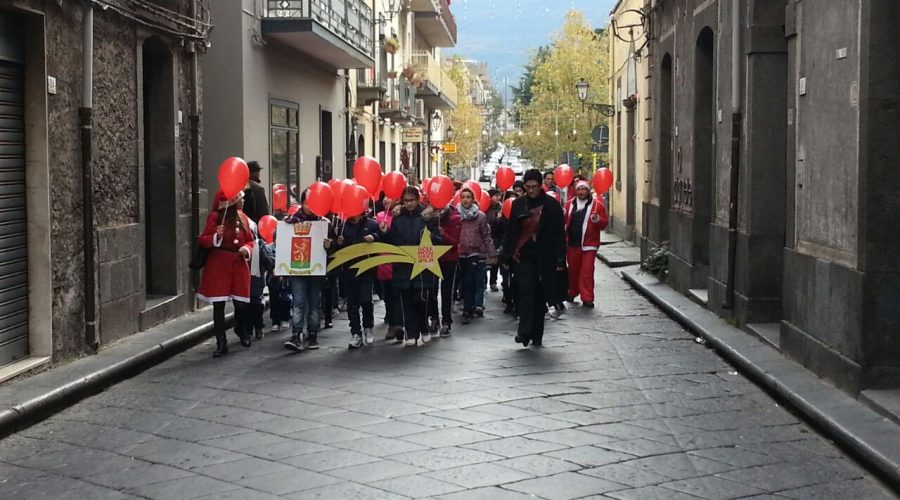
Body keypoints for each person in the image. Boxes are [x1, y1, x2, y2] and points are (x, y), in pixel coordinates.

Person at [501, 169, 568, 348]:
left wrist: (561, 259)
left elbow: (559, 234)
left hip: (545, 256)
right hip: (524, 256)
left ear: (541, 186)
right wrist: (506, 256)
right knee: (525, 292)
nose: (531, 190)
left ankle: (537, 334)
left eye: (535, 187)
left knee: (540, 296)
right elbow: (511, 232)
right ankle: (523, 332)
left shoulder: (551, 206)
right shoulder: (518, 205)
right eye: (528, 187)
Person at [197, 190, 255, 357]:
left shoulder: (243, 218)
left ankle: (240, 329)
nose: (243, 202)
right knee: (219, 305)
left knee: (241, 303)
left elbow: (250, 239)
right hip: (219, 264)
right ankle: (221, 343)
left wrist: (247, 249)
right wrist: (216, 236)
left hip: (238, 263)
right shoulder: (215, 218)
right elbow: (203, 239)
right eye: (240, 199)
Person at [381, 186, 441, 346]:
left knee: (420, 299)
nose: (409, 204)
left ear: (417, 199)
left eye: (412, 200)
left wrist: (431, 236)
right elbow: (392, 241)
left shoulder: (427, 217)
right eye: (406, 201)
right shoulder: (398, 218)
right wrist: (385, 232)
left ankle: (424, 326)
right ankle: (411, 333)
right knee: (405, 300)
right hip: (402, 265)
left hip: (422, 265)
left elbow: (438, 238)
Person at [282, 190, 331, 352]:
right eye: (306, 202)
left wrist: (329, 245)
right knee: (299, 302)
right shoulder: (290, 222)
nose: (309, 206)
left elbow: (333, 249)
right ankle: (296, 335)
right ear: (302, 203)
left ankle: (313, 333)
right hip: (298, 270)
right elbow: (282, 240)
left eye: (313, 202)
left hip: (316, 271)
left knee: (314, 302)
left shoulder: (324, 224)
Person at [335, 210, 381, 349]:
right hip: (349, 269)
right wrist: (338, 242)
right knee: (352, 303)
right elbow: (336, 247)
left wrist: (374, 237)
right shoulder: (343, 226)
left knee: (366, 300)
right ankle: (355, 333)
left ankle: (368, 326)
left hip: (366, 268)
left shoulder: (371, 224)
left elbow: (382, 238)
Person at [565, 181, 609, 308]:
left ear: (588, 191)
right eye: (579, 189)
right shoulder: (569, 205)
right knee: (573, 270)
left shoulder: (597, 206)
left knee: (587, 271)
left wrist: (598, 220)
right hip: (572, 243)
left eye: (584, 189)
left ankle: (587, 297)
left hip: (589, 244)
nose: (581, 192)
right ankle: (572, 291)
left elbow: (604, 223)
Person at [457, 186, 496, 324]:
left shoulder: (480, 216)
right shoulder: (456, 215)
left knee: (472, 281)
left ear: (473, 200)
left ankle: (468, 310)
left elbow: (486, 236)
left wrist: (491, 253)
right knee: (464, 282)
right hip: (460, 254)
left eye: (468, 197)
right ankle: (468, 304)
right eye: (463, 197)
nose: (465, 200)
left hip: (475, 253)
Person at [376, 199, 403, 340]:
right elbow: (377, 236)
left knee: (398, 294)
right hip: (383, 260)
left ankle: (398, 323)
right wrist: (380, 231)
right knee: (388, 294)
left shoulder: (402, 215)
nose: (386, 200)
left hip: (399, 259)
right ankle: (392, 321)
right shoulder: (379, 216)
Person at [436, 199, 461, 337]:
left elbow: (455, 242)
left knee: (446, 290)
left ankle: (446, 320)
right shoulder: (429, 216)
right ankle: (433, 318)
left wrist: (443, 234)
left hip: (448, 258)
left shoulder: (455, 218)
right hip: (431, 257)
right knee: (431, 290)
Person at [497, 190, 518, 315]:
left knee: (517, 281)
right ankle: (509, 302)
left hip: (517, 255)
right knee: (506, 281)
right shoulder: (500, 222)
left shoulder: (521, 221)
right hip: (504, 253)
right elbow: (496, 235)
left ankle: (516, 303)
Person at [485, 189, 503, 292]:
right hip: (489, 237)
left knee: (496, 262)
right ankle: (485, 282)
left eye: (499, 196)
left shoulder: (501, 207)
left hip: (498, 238)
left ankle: (493, 281)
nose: (498, 198)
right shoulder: (487, 209)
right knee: (488, 262)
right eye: (495, 196)